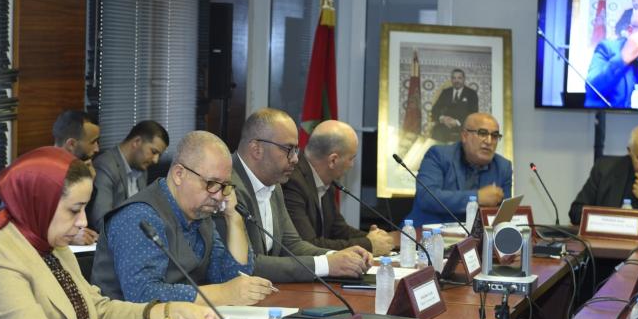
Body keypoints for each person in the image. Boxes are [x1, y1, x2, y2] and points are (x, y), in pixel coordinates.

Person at [0, 147, 216, 319]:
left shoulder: (50, 244)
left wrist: (169, 313)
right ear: (40, 203)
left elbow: (97, 312)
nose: (83, 222)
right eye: (74, 210)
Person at [92, 131, 273, 306]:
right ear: (179, 174)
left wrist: (234, 218)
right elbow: (144, 296)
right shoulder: (139, 217)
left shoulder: (201, 214)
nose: (219, 196)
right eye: (212, 183)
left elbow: (232, 279)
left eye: (225, 186)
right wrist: (222, 293)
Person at [218, 108, 372, 283]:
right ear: (256, 149)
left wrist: (339, 256)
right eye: (288, 149)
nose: (295, 159)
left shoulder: (274, 185)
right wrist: (327, 264)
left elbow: (292, 245)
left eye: (296, 150)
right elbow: (247, 265)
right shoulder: (226, 187)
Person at [282, 120, 393, 255]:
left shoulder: (326, 181)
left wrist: (375, 238)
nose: (352, 165)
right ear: (333, 160)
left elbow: (338, 230)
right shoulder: (293, 183)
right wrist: (368, 244)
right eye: (351, 158)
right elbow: (308, 245)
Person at [405, 112, 512, 226]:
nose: (489, 141)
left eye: (495, 136)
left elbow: (503, 216)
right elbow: (426, 197)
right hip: (428, 232)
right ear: (465, 136)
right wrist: (477, 198)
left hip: (476, 235)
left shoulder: (503, 167)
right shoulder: (439, 155)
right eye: (482, 133)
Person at [88, 120, 169, 232]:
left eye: (159, 155)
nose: (156, 160)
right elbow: (101, 221)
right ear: (137, 142)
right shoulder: (106, 166)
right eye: (154, 152)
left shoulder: (142, 168)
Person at [52, 110, 100, 245]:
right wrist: (70, 236)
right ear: (71, 144)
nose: (97, 149)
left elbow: (85, 220)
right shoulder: (41, 175)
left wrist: (89, 183)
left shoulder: (81, 169)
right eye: (93, 142)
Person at [430, 69, 479, 143]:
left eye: (459, 78)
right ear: (451, 80)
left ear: (464, 79)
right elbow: (435, 109)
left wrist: (457, 122)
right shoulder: (445, 92)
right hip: (445, 125)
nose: (456, 81)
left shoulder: (471, 93)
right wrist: (443, 118)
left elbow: (473, 114)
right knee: (437, 131)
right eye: (454, 78)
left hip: (463, 126)